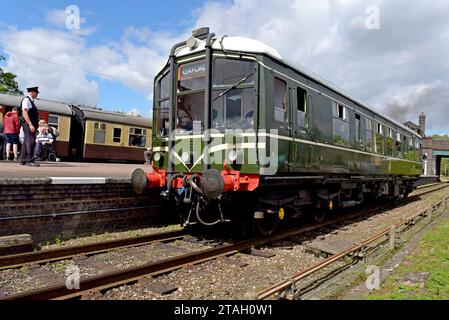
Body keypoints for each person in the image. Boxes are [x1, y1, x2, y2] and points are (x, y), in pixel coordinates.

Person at [19, 87, 40, 167]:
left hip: (30, 124)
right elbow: (24, 112)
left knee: (26, 142)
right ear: (32, 92)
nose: (37, 94)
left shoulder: (31, 101)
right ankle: (29, 160)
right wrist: (30, 124)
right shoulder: (26, 100)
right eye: (36, 92)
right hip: (28, 124)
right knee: (31, 141)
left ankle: (23, 159)